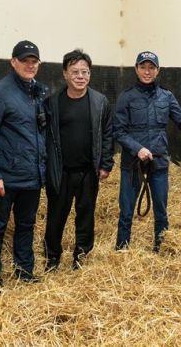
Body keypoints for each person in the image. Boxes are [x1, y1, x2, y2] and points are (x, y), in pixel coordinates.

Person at [0, 40, 48, 290]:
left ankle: (24, 272)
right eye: (24, 60)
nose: (29, 65)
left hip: (31, 176)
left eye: (33, 61)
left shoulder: (37, 92)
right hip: (5, 178)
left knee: (26, 225)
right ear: (12, 62)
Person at [43, 49, 114, 271]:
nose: (80, 76)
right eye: (75, 72)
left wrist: (106, 163)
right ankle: (52, 257)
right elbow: (45, 137)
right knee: (56, 216)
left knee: (85, 215)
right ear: (65, 73)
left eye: (85, 71)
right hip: (60, 171)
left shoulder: (100, 102)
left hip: (88, 171)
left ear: (90, 75)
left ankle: (81, 255)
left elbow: (108, 134)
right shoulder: (52, 103)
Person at [113, 51, 181, 252]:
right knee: (126, 210)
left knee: (161, 210)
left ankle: (161, 248)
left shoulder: (167, 97)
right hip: (132, 164)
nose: (147, 71)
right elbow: (118, 131)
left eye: (151, 68)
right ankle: (121, 250)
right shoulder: (126, 97)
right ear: (136, 69)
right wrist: (138, 149)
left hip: (158, 163)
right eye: (143, 67)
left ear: (158, 70)